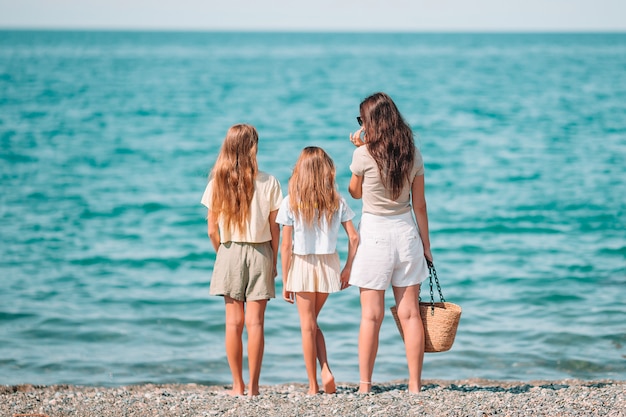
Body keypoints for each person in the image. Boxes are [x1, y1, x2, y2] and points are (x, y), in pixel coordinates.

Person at [347, 92, 433, 394]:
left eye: (362, 120)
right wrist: (426, 246)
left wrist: (359, 149)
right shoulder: (412, 154)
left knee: (371, 314)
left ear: (370, 122)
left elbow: (354, 193)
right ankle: (414, 385)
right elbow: (420, 205)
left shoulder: (363, 154)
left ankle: (365, 386)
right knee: (409, 313)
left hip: (374, 236)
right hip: (407, 233)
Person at [201, 124, 283, 396]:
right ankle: (254, 387)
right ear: (253, 147)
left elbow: (212, 229)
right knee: (256, 324)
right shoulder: (269, 181)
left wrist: (222, 253)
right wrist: (274, 260)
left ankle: (237, 385)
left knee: (233, 324)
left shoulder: (217, 182)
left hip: (229, 251)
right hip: (261, 251)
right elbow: (275, 228)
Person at [276, 146, 359, 395]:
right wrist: (347, 269)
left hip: (302, 264)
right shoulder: (337, 200)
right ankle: (325, 369)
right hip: (328, 265)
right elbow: (354, 238)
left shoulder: (291, 200)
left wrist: (285, 280)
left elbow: (286, 245)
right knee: (312, 322)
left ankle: (314, 385)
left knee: (307, 325)